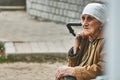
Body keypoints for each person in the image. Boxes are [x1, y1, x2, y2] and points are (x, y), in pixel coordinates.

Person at [55, 2, 106, 80]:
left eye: (89, 18)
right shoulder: (87, 38)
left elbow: (103, 68)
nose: (84, 23)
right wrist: (76, 43)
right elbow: (72, 66)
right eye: (83, 18)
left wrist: (75, 72)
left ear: (101, 22)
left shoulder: (109, 41)